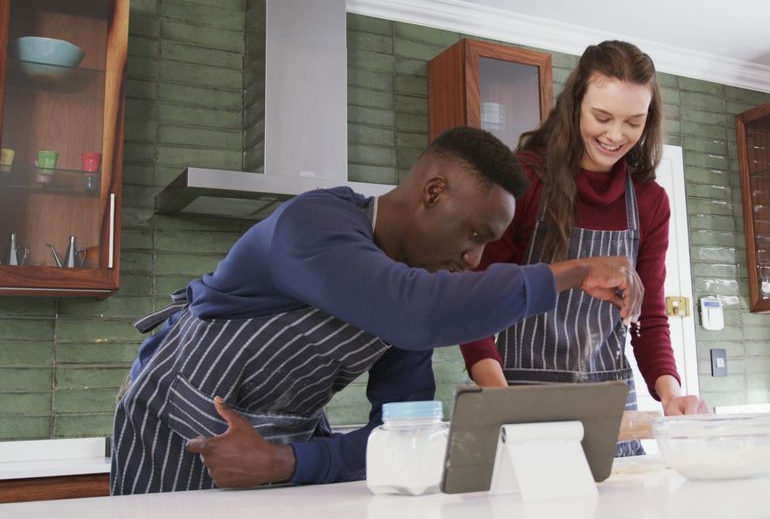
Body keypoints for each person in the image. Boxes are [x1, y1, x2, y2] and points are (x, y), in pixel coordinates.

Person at [111, 126, 643, 495]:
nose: (474, 260)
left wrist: (287, 461)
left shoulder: (413, 294)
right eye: (474, 235)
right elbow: (417, 313)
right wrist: (571, 273)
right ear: (434, 192)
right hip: (172, 423)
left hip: (275, 441)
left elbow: (399, 432)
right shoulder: (314, 224)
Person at [460, 41, 708, 455]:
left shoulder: (649, 202)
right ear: (575, 106)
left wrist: (671, 394)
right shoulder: (523, 181)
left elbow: (647, 316)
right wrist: (500, 398)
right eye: (602, 116)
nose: (616, 135)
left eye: (634, 122)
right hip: (520, 405)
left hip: (612, 412)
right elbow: (477, 301)